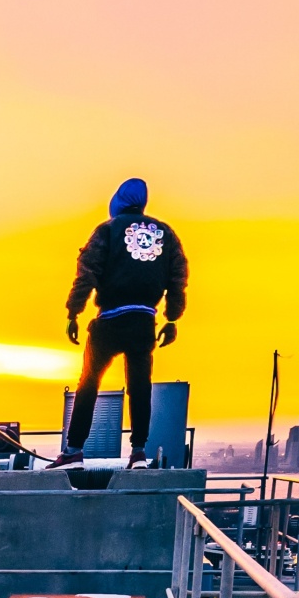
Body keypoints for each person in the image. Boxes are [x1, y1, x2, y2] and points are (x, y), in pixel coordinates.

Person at [56, 176, 187, 467]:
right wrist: (172, 319)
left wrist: (73, 313)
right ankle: (138, 452)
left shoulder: (107, 230)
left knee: (88, 383)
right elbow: (178, 278)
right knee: (140, 386)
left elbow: (86, 272)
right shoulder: (165, 233)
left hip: (109, 321)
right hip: (144, 321)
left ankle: (74, 451)